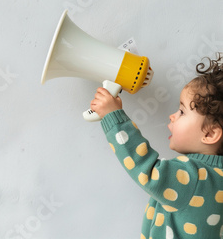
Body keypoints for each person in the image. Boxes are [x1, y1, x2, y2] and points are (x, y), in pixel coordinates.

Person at [90, 55, 223, 238]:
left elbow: (148, 170)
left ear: (210, 134)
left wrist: (113, 117)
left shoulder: (195, 178)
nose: (172, 116)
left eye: (182, 111)